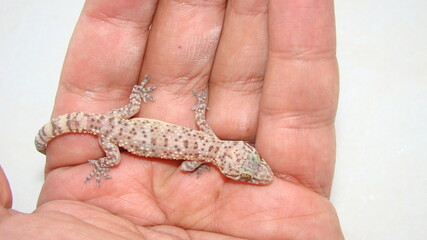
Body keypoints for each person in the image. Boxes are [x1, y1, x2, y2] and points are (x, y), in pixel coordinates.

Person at [0, 0, 343, 239]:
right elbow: (184, 161)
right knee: (113, 158)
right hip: (114, 136)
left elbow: (197, 115)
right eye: (250, 170)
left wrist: (182, 104)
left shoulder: (206, 142)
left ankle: (76, 134)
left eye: (249, 170)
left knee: (120, 133)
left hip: (122, 122)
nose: (253, 172)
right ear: (232, 157)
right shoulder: (198, 156)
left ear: (237, 150)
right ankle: (69, 148)